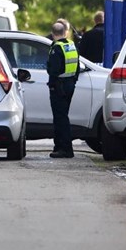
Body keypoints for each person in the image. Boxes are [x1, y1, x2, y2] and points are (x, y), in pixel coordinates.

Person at [46, 21, 79, 158]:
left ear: (53, 34)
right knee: (63, 116)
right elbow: (77, 67)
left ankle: (65, 149)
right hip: (69, 85)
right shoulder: (71, 46)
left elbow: (53, 70)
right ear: (65, 32)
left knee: (60, 118)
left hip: (59, 87)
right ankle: (59, 146)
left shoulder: (57, 48)